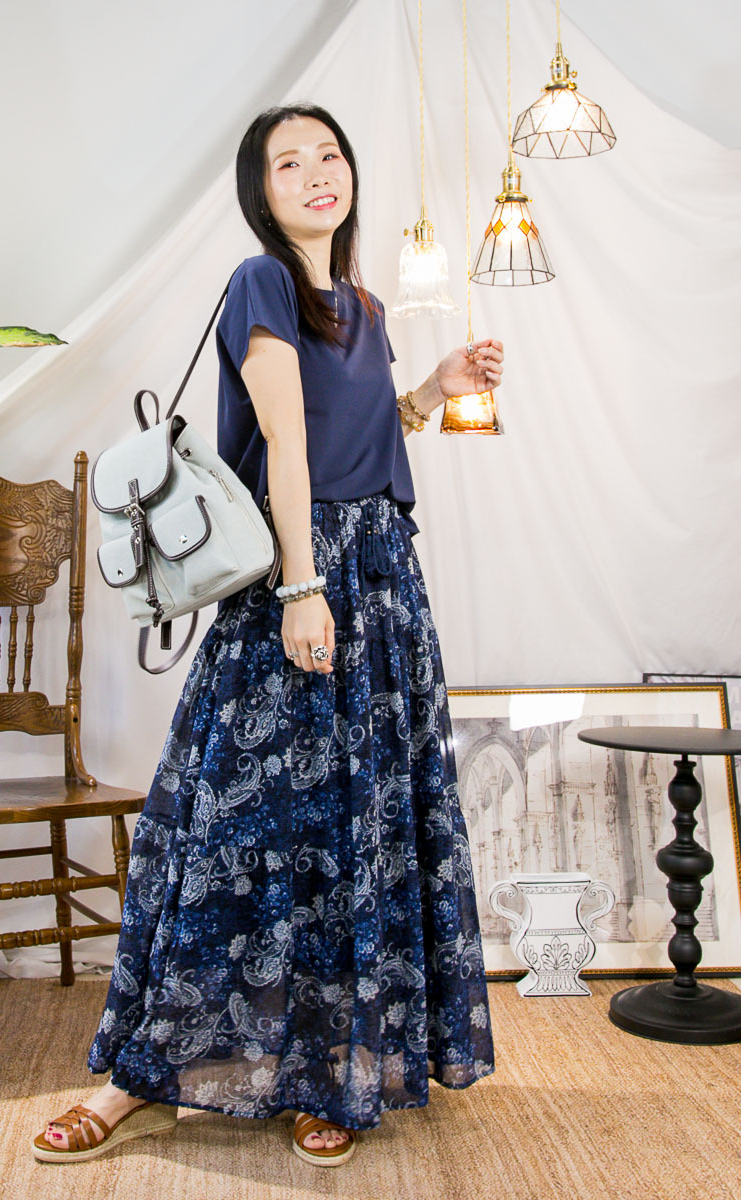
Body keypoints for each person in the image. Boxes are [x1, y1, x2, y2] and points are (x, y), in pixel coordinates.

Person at [33, 102, 502, 1167]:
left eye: (329, 154)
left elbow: (362, 433)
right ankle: (136, 1079)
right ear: (262, 192)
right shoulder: (263, 284)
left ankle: (328, 1070)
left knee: (350, 830)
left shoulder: (363, 306)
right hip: (304, 576)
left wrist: (435, 390)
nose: (316, 173)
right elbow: (286, 447)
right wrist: (301, 588)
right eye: (289, 164)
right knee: (235, 828)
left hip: (379, 579)